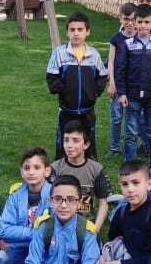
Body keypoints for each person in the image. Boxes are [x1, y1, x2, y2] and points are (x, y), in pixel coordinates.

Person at [115, 3, 151, 168]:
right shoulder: (128, 45)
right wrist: (122, 93)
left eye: (146, 22)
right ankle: (130, 164)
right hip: (132, 96)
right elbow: (120, 70)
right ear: (134, 22)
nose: (143, 26)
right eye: (139, 22)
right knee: (131, 132)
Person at [45, 11, 107, 159]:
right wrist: (64, 91)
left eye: (80, 29)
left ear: (87, 31)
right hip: (67, 111)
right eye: (72, 30)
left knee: (88, 141)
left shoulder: (94, 55)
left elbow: (102, 76)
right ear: (67, 32)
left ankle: (90, 169)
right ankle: (61, 169)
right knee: (65, 142)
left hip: (87, 111)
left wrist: (94, 92)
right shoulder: (59, 53)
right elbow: (51, 77)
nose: (76, 33)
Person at [0, 147, 53, 264]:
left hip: (44, 249)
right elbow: (4, 230)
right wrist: (34, 233)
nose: (31, 172)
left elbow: (52, 232)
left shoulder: (55, 195)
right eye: (27, 168)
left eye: (37, 167)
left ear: (47, 171)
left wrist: (21, 233)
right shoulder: (16, 195)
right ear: (21, 172)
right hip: (19, 247)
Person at [50, 119, 113, 229]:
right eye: (66, 140)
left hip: (86, 226)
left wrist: (95, 230)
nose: (69, 145)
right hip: (59, 227)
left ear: (86, 144)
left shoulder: (97, 169)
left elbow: (103, 202)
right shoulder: (55, 168)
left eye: (75, 140)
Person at [106, 3, 137, 158]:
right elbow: (110, 62)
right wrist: (111, 83)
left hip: (133, 87)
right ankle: (114, 147)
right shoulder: (116, 38)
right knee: (116, 117)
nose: (129, 23)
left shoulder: (140, 38)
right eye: (126, 19)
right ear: (120, 19)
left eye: (132, 19)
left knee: (132, 120)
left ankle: (130, 148)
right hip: (117, 85)